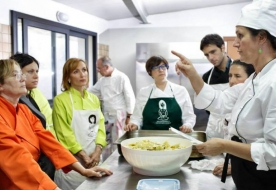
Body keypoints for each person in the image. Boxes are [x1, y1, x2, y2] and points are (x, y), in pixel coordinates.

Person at [172, 0, 276, 188]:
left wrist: (225, 146)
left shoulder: (273, 82)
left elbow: (274, 152)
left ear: (261, 38)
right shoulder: (255, 78)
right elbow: (220, 101)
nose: (235, 43)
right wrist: (193, 74)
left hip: (266, 179)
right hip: (246, 172)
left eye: (240, 35)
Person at [0, 59, 112, 190]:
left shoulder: (24, 110)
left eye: (22, 74)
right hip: (15, 182)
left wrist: (82, 170)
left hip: (35, 175)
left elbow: (50, 143)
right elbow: (18, 159)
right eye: (15, 75)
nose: (23, 79)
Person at [53, 58, 108, 189]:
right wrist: (83, 155)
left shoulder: (94, 99)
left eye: (84, 70)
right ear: (68, 77)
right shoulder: (61, 100)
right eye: (76, 71)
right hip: (72, 164)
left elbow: (100, 127)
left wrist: (98, 150)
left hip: (94, 160)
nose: (82, 74)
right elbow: (64, 134)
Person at [10, 53, 57, 180]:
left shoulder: (29, 96)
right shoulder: (15, 102)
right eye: (30, 71)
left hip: (43, 160)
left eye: (37, 71)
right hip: (31, 165)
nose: (36, 76)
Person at [124, 55, 196, 132]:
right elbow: (137, 117)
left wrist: (187, 125)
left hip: (175, 138)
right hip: (148, 139)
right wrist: (134, 124)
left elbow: (189, 116)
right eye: (155, 68)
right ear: (149, 72)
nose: (161, 70)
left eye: (163, 66)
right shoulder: (143, 92)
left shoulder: (181, 90)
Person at [212, 60, 255, 177]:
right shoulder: (228, 101)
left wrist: (235, 166)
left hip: (252, 171)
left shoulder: (254, 108)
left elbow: (258, 148)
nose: (232, 81)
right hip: (232, 165)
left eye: (237, 76)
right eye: (230, 76)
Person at [88, 56, 135, 142]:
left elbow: (130, 97)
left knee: (119, 140)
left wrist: (129, 116)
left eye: (99, 68)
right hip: (106, 115)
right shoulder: (102, 80)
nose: (97, 70)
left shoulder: (121, 77)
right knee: (107, 140)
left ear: (106, 67)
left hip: (119, 115)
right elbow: (91, 91)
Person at [200, 34, 232, 139]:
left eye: (213, 52)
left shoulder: (242, 69)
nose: (211, 58)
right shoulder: (206, 77)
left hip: (237, 128)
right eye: (206, 55)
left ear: (223, 48)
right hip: (215, 131)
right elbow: (207, 106)